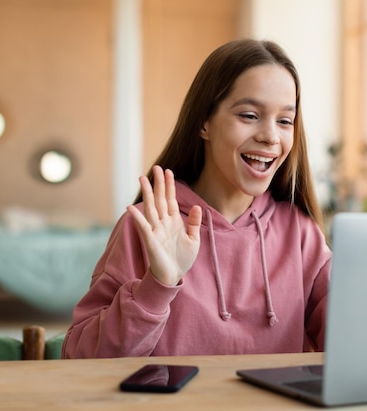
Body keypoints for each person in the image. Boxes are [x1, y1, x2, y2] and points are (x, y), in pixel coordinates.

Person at [61, 38, 331, 358]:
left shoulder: (300, 234)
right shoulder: (149, 226)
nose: (271, 136)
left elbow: (354, 344)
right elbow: (80, 359)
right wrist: (156, 286)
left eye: (285, 120)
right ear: (204, 122)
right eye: (249, 115)